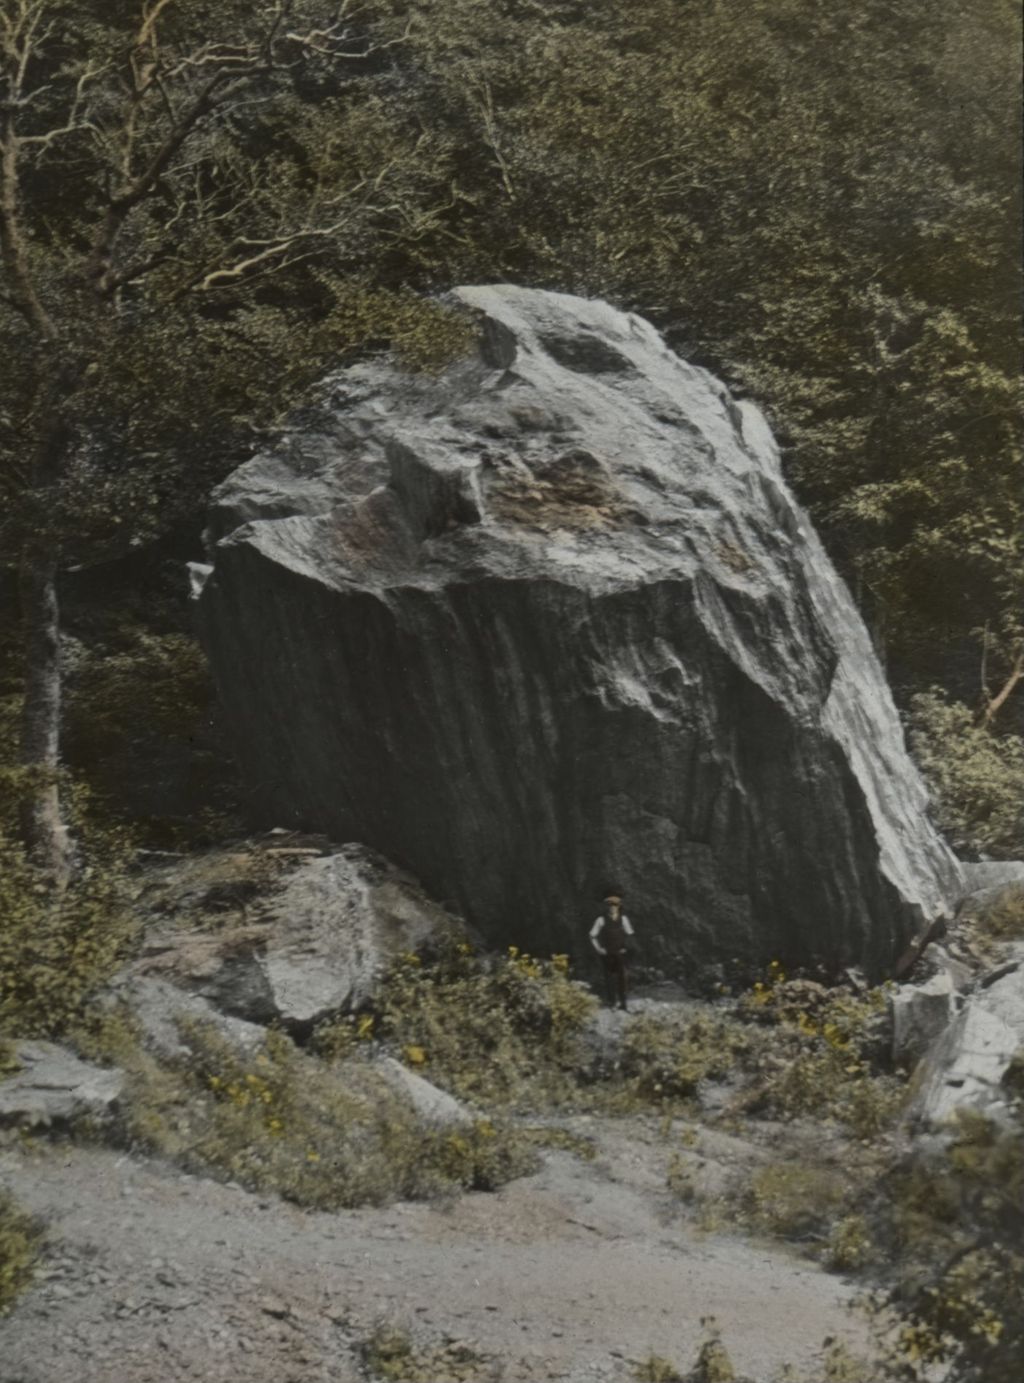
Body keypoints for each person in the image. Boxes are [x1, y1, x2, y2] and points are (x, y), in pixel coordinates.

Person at [589, 887, 634, 1011]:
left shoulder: (624, 919)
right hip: (607, 954)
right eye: (609, 905)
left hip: (620, 953)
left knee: (622, 978)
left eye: (615, 905)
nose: (612, 907)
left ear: (619, 906)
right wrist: (599, 949)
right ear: (606, 906)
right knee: (609, 978)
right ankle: (612, 1002)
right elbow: (592, 935)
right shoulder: (601, 920)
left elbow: (630, 934)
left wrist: (626, 948)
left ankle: (623, 1003)